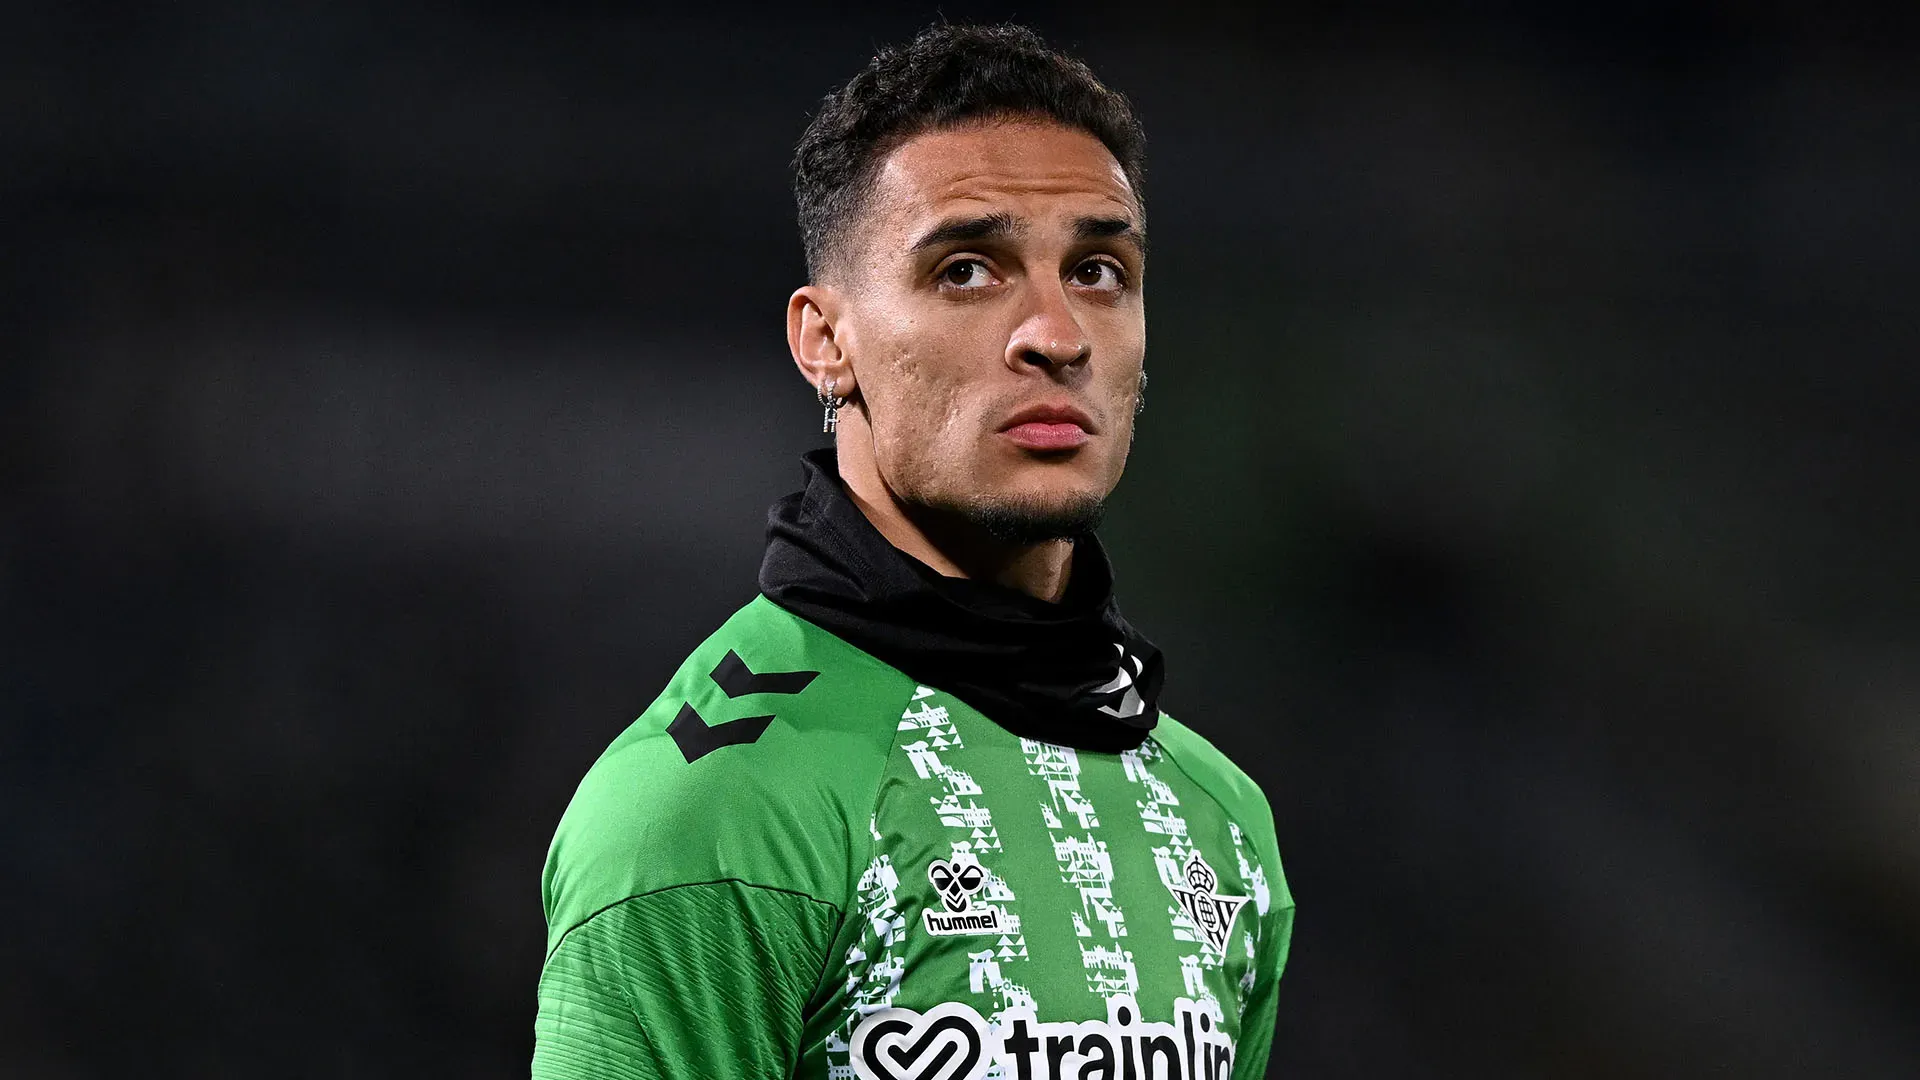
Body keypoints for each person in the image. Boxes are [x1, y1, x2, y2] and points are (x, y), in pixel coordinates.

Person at [532, 23, 1294, 1080]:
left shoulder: (1218, 819)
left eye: (1099, 271)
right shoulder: (715, 810)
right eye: (968, 270)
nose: (1057, 334)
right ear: (825, 341)